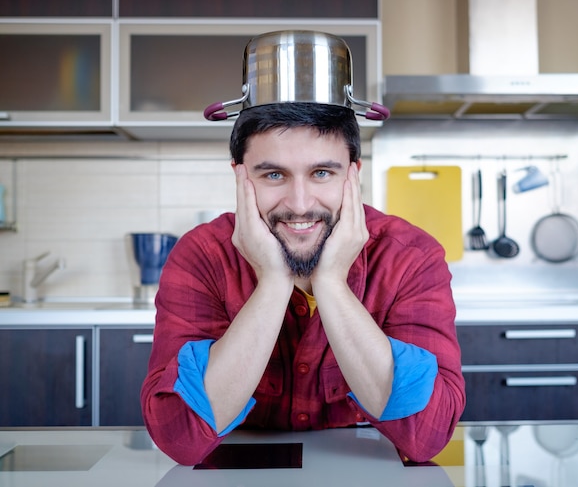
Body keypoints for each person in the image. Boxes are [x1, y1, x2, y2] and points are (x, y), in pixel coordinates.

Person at [141, 101, 465, 466]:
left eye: (322, 173)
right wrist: (274, 281)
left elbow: (427, 434)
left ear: (352, 176)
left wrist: (330, 282)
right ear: (241, 177)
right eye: (274, 175)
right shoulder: (202, 256)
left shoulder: (410, 257)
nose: (299, 205)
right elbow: (180, 438)